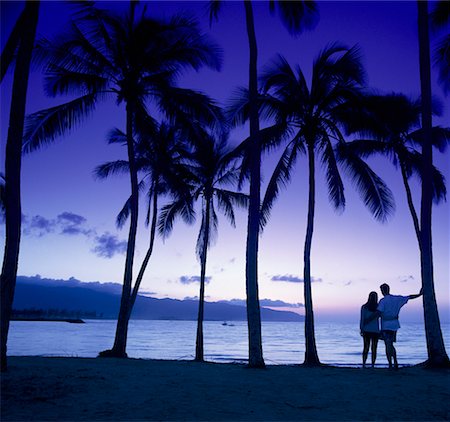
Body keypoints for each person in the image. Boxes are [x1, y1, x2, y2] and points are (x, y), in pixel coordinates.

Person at [377, 283, 422, 369]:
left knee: (388, 345)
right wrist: (419, 295)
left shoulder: (383, 301)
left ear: (382, 291)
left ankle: (390, 363)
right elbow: (409, 297)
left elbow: (379, 312)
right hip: (394, 324)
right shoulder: (397, 299)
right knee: (390, 344)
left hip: (386, 325)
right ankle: (395, 362)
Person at [360, 291, 380, 368]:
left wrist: (361, 328)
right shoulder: (378, 307)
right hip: (375, 330)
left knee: (366, 347)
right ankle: (373, 365)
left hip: (366, 330)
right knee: (374, 348)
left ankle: (364, 364)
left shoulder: (364, 307)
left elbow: (362, 319)